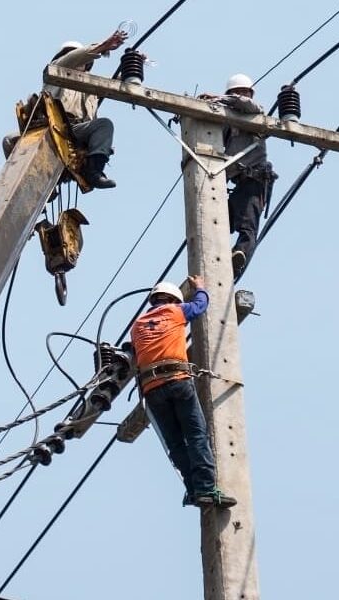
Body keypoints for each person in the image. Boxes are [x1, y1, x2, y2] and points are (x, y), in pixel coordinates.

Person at [130, 276, 237, 508]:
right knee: (197, 434)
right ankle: (206, 488)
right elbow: (200, 306)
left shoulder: (137, 326)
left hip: (151, 389)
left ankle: (193, 489)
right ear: (173, 299)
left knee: (177, 444)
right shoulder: (175, 311)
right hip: (177, 381)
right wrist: (200, 287)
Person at [3, 30, 129, 189]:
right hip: (53, 126)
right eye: (71, 54)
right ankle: (28, 182)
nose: (76, 58)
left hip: (78, 131)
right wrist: (103, 46)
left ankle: (94, 172)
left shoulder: (92, 85)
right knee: (9, 140)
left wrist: (133, 64)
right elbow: (75, 57)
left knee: (104, 125)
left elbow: (118, 84)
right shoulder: (57, 69)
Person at [199, 74, 278, 278]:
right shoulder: (227, 122)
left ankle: (239, 255)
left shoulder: (255, 112)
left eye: (244, 92)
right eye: (237, 92)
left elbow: (246, 104)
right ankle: (217, 260)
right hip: (238, 184)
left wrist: (219, 98)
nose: (241, 95)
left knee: (248, 226)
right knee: (216, 220)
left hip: (255, 181)